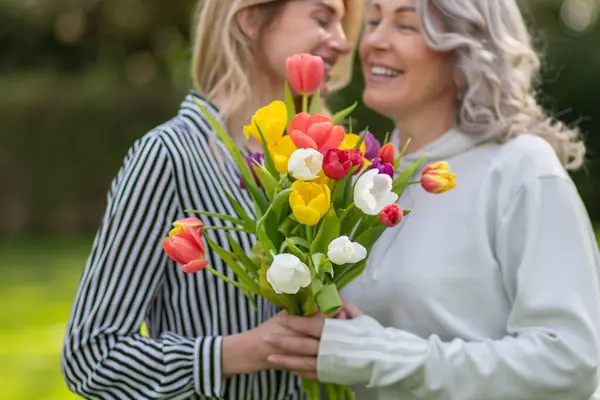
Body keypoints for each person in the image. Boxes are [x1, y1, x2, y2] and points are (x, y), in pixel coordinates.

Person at [264, 0, 600, 399]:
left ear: (466, 51)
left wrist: (373, 354)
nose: (373, 41)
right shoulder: (359, 175)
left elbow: (570, 361)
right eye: (372, 21)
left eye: (405, 26)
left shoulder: (521, 169)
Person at [61, 0, 363, 398]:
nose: (343, 43)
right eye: (323, 19)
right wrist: (242, 351)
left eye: (343, 25)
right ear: (251, 19)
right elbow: (91, 357)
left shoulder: (315, 166)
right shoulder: (169, 156)